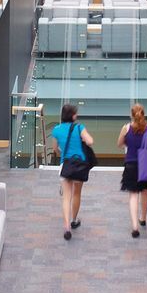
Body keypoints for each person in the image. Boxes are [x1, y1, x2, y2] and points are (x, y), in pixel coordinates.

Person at [50, 101, 95, 239]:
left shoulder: (56, 130)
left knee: (66, 197)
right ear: (73, 116)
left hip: (66, 165)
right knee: (77, 194)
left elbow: (55, 149)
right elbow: (90, 141)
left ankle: (66, 227)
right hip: (79, 165)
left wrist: (63, 151)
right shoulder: (79, 127)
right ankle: (74, 220)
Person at [118, 103, 147, 236]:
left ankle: (135, 226)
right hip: (145, 164)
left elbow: (119, 144)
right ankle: (143, 218)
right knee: (145, 192)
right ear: (143, 114)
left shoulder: (126, 128)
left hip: (130, 164)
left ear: (132, 114)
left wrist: (128, 143)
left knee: (133, 194)